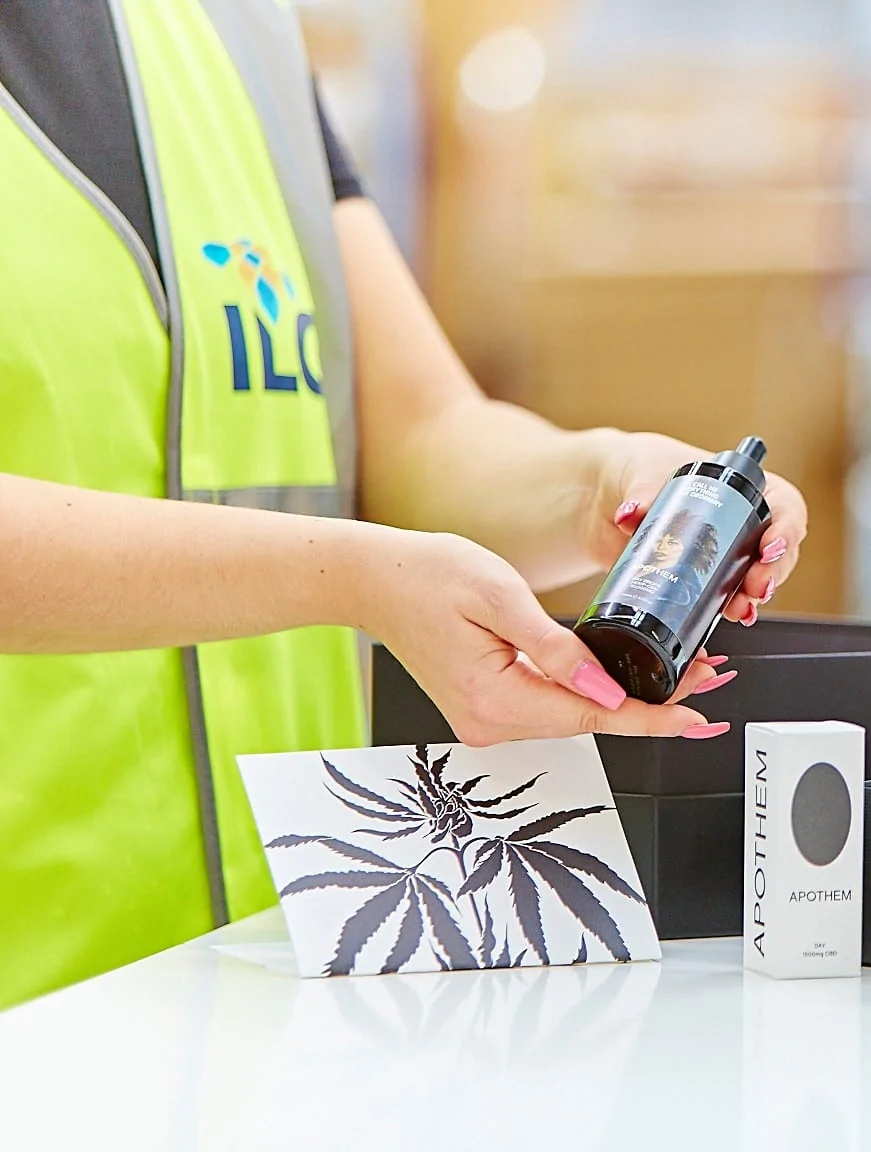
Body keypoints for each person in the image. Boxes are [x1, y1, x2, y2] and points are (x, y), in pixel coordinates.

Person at [0, 1, 808, 1010]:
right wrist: (350, 576)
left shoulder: (236, 31)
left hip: (270, 983)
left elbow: (420, 433)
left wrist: (611, 482)